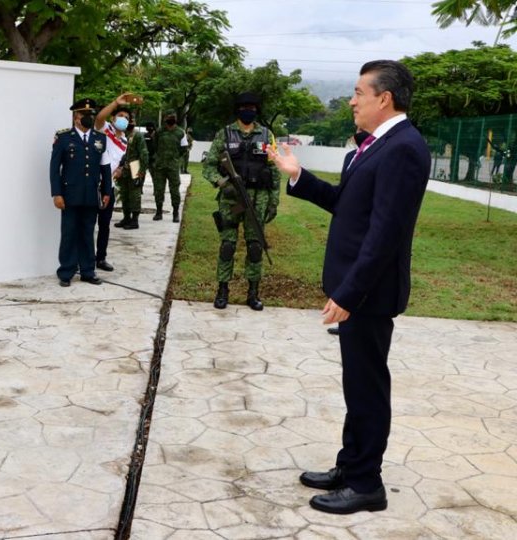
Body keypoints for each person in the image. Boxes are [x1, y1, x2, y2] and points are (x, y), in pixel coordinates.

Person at [269, 60, 430, 515]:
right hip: (357, 287)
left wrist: (349, 293)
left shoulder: (403, 148)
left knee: (367, 387)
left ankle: (366, 484)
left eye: (359, 92)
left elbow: (385, 235)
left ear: (385, 99)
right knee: (356, 383)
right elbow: (346, 205)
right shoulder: (372, 146)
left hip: (370, 294)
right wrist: (296, 174)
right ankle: (350, 464)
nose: (352, 100)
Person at [203, 92, 281, 311]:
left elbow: (274, 170)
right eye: (245, 107)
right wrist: (222, 183)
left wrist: (274, 201)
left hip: (258, 199)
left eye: (253, 107)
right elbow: (208, 166)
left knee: (255, 246)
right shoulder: (225, 134)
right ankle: (222, 290)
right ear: (238, 110)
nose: (249, 111)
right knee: (227, 245)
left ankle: (253, 293)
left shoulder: (266, 135)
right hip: (231, 199)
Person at [50, 98, 112, 287]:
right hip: (69, 195)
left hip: (90, 195)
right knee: (69, 233)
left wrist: (106, 190)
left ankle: (87, 271)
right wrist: (57, 193)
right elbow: (54, 168)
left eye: (91, 114)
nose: (88, 117)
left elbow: (105, 166)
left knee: (87, 233)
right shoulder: (64, 138)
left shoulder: (100, 139)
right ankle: (66, 272)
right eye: (84, 114)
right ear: (75, 116)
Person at [328, 129, 370, 337]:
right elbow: (342, 198)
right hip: (345, 241)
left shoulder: (394, 151)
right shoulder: (350, 157)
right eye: (357, 130)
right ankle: (343, 318)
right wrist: (298, 175)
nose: (358, 133)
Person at [94, 92, 141, 270]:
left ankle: (101, 258)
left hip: (109, 187)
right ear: (113, 118)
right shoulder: (105, 129)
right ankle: (85, 257)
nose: (123, 119)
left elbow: (120, 161)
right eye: (120, 116)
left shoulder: (125, 141)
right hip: (93, 184)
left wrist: (121, 170)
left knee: (104, 225)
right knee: (89, 224)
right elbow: (99, 117)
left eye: (126, 118)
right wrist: (116, 103)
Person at [111, 116, 148, 231]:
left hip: (135, 166)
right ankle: (126, 218)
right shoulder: (123, 135)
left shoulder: (137, 136)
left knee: (135, 194)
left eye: (132, 121)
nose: (130, 123)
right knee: (124, 194)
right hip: (123, 168)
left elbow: (144, 154)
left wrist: (141, 172)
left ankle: (135, 220)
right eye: (129, 121)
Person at [151, 113, 188, 222]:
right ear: (165, 119)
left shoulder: (180, 132)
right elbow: (155, 145)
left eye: (173, 117)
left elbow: (184, 148)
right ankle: (158, 212)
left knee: (175, 190)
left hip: (173, 166)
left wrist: (175, 157)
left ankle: (175, 213)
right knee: (158, 190)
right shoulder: (159, 132)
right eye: (169, 117)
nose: (171, 119)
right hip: (160, 166)